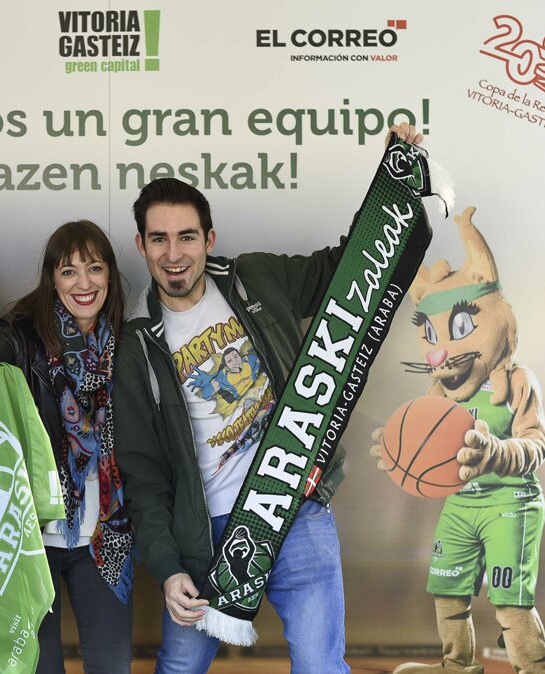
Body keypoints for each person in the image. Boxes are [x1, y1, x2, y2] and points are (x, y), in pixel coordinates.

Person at [113, 125, 423, 673]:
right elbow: (143, 476)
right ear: (141, 245)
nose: (173, 254)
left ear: (209, 239)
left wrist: (391, 185)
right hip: (203, 536)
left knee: (321, 667)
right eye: (158, 239)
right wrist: (168, 568)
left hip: (293, 504)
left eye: (187, 237)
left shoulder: (255, 278)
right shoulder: (136, 345)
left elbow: (346, 269)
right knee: (179, 668)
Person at [0, 220, 134, 674]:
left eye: (94, 268)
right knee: (39, 667)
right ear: (52, 279)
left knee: (112, 666)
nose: (83, 283)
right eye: (68, 271)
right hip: (32, 537)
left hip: (105, 536)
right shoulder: (20, 334)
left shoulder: (127, 342)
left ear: (110, 275)